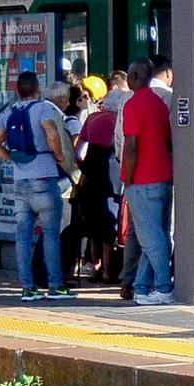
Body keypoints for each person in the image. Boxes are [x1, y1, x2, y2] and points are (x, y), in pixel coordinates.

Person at [0, 72, 71, 301]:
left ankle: (27, 287)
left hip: (19, 180)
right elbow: (52, 133)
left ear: (17, 91)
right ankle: (55, 286)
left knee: (22, 236)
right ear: (37, 89)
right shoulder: (42, 109)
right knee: (51, 233)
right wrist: (59, 155)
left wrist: (11, 158)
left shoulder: (9, 112)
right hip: (44, 175)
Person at [118, 57, 175, 305]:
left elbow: (130, 145)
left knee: (151, 239)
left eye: (130, 75)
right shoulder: (160, 104)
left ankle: (163, 287)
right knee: (157, 234)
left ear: (136, 77)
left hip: (141, 179)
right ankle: (142, 287)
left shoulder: (133, 104)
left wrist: (128, 179)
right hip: (163, 177)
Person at [69, 83, 119, 282]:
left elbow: (78, 151)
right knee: (109, 224)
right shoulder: (117, 120)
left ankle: (95, 267)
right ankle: (108, 271)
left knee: (92, 224)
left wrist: (83, 170)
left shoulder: (91, 118)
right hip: (110, 174)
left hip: (90, 172)